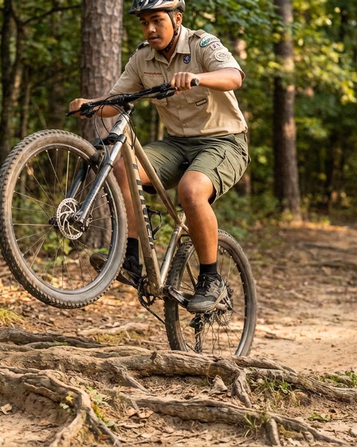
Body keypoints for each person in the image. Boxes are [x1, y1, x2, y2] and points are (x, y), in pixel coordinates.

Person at [69, 0, 249, 313]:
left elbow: (234, 76)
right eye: (144, 23)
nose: (150, 29)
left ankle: (211, 278)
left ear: (177, 19)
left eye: (157, 21)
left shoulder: (201, 44)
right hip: (177, 144)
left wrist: (197, 77)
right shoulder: (142, 57)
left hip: (224, 142)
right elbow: (117, 101)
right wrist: (91, 104)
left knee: (191, 191)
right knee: (124, 167)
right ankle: (132, 258)